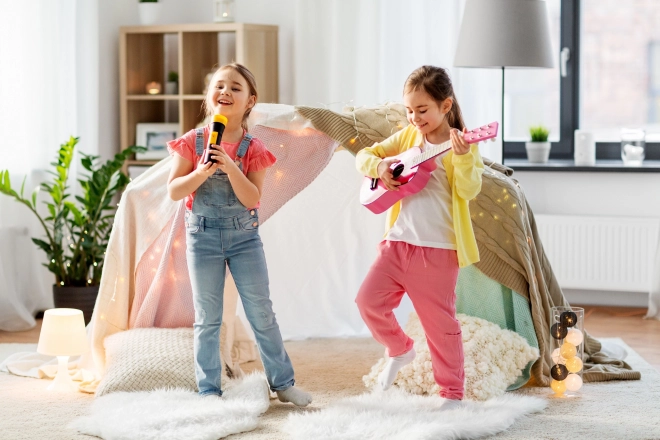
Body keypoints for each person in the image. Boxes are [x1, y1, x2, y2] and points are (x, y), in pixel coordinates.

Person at [167, 63, 312, 406]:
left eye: (235, 88)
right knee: (208, 317)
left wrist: (230, 165)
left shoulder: (253, 147)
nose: (226, 93)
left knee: (261, 311)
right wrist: (202, 171)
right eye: (219, 86)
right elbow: (175, 191)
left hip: (244, 237)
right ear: (209, 95)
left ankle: (283, 382)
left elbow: (252, 198)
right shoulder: (193, 142)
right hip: (202, 237)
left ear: (250, 100)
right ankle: (208, 389)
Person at [355, 65, 484, 403]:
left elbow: (469, 191)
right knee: (367, 302)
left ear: (445, 105)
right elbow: (364, 156)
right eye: (409, 110)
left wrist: (464, 158)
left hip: (438, 250)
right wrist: (380, 167)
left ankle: (452, 394)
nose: (414, 117)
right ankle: (400, 349)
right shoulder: (409, 137)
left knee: (440, 327)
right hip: (397, 243)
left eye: (422, 110)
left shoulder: (464, 144)